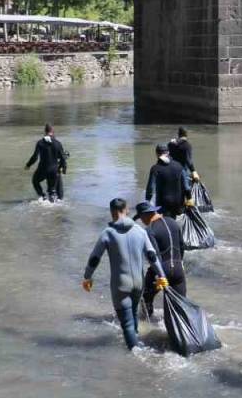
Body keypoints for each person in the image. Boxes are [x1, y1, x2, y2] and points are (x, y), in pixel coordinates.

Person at [82, 198, 169, 350]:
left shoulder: (108, 233)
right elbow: (152, 256)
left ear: (112, 212)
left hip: (120, 285)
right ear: (127, 210)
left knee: (127, 323)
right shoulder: (140, 231)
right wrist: (161, 276)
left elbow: (95, 258)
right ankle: (137, 342)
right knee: (134, 314)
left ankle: (137, 354)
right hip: (138, 284)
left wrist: (87, 277)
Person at [135, 201, 186, 317]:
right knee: (180, 306)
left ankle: (146, 325)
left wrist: (159, 275)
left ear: (145, 215)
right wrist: (180, 263)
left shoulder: (149, 230)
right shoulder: (173, 222)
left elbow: (154, 255)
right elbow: (182, 246)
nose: (142, 221)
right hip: (179, 270)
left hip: (162, 271)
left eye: (141, 218)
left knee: (146, 297)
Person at [144, 143, 192, 218]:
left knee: (167, 224)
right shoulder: (179, 165)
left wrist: (147, 201)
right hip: (178, 204)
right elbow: (186, 186)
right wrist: (189, 199)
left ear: (156, 154)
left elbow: (150, 188)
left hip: (163, 205)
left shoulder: (155, 168)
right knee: (175, 222)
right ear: (168, 152)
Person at [24, 123, 67, 202]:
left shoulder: (40, 142)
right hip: (54, 170)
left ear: (45, 131)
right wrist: (63, 169)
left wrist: (28, 165)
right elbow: (63, 158)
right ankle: (53, 205)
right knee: (52, 191)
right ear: (52, 132)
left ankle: (42, 196)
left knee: (35, 181)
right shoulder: (58, 143)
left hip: (43, 169)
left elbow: (35, 157)